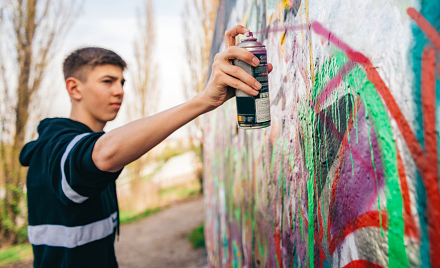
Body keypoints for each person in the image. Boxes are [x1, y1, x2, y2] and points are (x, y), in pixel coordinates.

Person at [19, 25, 272, 268]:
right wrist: (204, 101)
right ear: (74, 88)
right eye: (108, 81)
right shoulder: (53, 148)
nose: (119, 91)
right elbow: (103, 154)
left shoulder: (81, 141)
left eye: (122, 82)